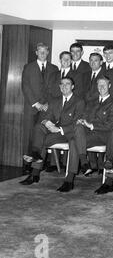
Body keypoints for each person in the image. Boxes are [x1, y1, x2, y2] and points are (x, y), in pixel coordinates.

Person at [19, 77, 85, 186]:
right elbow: (47, 116)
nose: (64, 86)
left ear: (73, 87)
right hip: (55, 132)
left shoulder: (79, 101)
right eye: (62, 84)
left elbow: (77, 123)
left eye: (67, 84)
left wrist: (59, 129)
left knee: (68, 142)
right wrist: (46, 122)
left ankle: (68, 179)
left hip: (70, 133)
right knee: (39, 128)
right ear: (59, 87)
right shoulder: (54, 101)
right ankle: (35, 161)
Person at [59, 77, 113, 192]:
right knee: (75, 136)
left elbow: (110, 125)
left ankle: (106, 181)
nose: (101, 88)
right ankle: (78, 169)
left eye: (104, 85)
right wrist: (81, 121)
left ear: (109, 86)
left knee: (75, 141)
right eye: (99, 85)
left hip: (104, 135)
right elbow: (84, 116)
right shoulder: (91, 103)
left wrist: (91, 125)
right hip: (90, 135)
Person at [21, 42, 59, 174]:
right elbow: (25, 87)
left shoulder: (54, 68)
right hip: (32, 107)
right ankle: (27, 164)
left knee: (41, 135)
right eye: (40, 51)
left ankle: (39, 164)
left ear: (48, 52)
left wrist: (48, 104)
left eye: (45, 51)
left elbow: (55, 89)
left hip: (47, 108)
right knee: (29, 135)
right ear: (36, 53)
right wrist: (36, 103)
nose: (42, 53)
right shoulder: (28, 67)